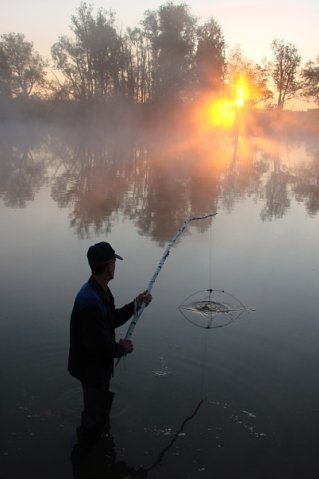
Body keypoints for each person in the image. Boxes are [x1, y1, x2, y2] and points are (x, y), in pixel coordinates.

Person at [68, 241, 152, 454]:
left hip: (97, 367)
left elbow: (110, 320)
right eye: (114, 261)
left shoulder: (100, 290)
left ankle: (98, 448)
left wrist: (135, 305)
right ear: (108, 266)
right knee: (93, 418)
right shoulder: (89, 301)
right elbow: (98, 345)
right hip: (91, 369)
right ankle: (85, 457)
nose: (116, 265)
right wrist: (121, 348)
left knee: (98, 413)